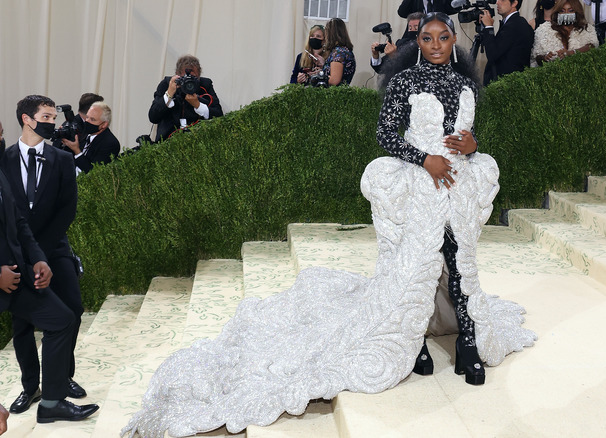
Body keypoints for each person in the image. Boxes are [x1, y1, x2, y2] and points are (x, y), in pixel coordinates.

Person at [122, 12, 535, 438]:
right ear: (419, 42)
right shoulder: (405, 82)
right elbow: (387, 135)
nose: (434, 44)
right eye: (427, 37)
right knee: (418, 261)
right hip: (419, 181)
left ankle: (468, 341)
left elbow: (464, 134)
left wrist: (472, 145)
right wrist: (424, 159)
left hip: (459, 182)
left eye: (443, 37)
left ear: (454, 41)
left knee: (458, 256)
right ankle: (414, 342)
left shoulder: (468, 84)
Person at [0, 95, 99, 424]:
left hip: (52, 248)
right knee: (24, 324)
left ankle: (60, 378)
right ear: (27, 120)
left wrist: (38, 252)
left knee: (71, 311)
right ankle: (32, 387)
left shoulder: (61, 159)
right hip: (15, 255)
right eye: (46, 116)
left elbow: (67, 209)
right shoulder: (5, 159)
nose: (52, 123)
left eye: (54, 117)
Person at [148, 55, 223, 142]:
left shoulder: (205, 85)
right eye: (184, 78)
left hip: (199, 141)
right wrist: (168, 95)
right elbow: (153, 117)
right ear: (177, 75)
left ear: (199, 75)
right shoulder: (167, 84)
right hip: (168, 142)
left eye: (193, 78)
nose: (189, 82)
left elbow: (219, 116)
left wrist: (198, 105)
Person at [479, 0, 535, 85]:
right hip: (509, 85)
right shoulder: (515, 22)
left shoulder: (515, 25)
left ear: (514, 3)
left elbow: (492, 55)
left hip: (506, 87)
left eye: (502, 0)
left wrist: (489, 27)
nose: (497, 2)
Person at [531, 0, 598, 66]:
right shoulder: (544, 29)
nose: (566, 13)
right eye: (562, 11)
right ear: (557, 12)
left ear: (577, 12)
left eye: (570, 10)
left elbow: (592, 46)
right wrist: (545, 57)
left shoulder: (587, 28)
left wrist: (571, 53)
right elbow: (536, 56)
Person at [62, 101, 120, 175]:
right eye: (87, 117)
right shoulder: (84, 132)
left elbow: (94, 173)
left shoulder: (110, 143)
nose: (87, 122)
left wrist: (77, 151)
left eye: (92, 119)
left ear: (104, 124)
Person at [322, 18, 356, 86]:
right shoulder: (345, 50)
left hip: (333, 94)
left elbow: (334, 80)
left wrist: (316, 78)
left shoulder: (338, 53)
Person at [398, 0, 462, 18]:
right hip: (415, 36)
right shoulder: (414, 1)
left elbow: (453, 8)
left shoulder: (441, 1)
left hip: (436, 34)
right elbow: (402, 13)